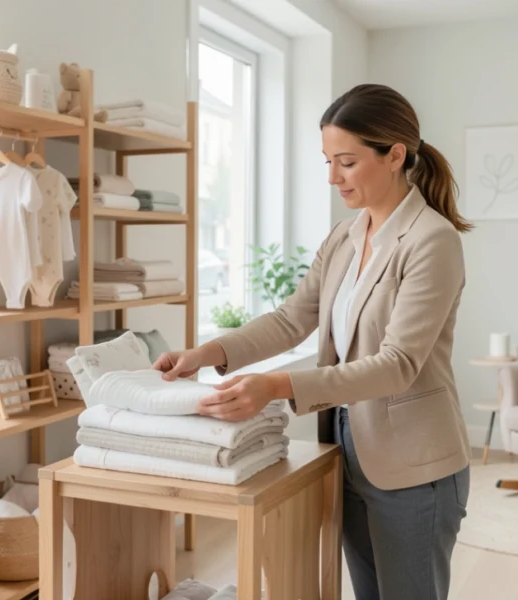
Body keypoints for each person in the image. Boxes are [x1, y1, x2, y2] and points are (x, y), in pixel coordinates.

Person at [153, 83, 473, 600]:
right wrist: (206, 353)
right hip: (347, 445)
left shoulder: (432, 241)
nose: (332, 178)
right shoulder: (344, 237)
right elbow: (289, 320)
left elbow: (397, 365)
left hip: (415, 466)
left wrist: (277, 384)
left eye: (346, 162)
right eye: (327, 161)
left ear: (394, 155)